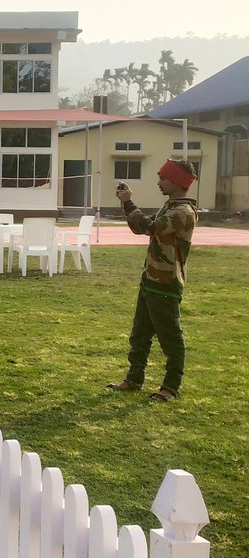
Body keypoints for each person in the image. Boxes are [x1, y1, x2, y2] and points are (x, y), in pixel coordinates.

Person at [106, 158, 199, 402]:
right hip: (150, 280)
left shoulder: (183, 212)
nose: (159, 182)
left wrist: (129, 202)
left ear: (177, 181)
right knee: (140, 335)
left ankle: (170, 388)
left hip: (166, 284)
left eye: (163, 178)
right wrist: (127, 203)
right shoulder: (170, 207)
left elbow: (149, 227)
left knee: (170, 339)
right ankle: (134, 379)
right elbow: (141, 228)